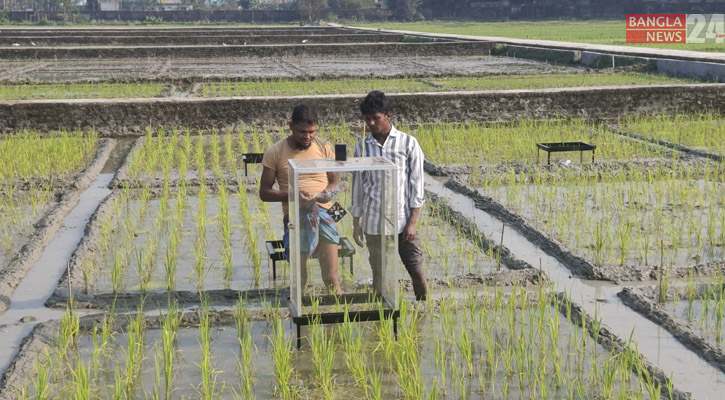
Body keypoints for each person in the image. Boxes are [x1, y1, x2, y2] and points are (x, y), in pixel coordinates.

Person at [351, 91, 428, 300]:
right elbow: (358, 185)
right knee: (378, 270)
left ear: (388, 115)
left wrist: (412, 221)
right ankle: (380, 310)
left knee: (415, 268)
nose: (372, 123)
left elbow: (417, 184)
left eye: (376, 117)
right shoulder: (363, 146)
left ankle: (423, 306)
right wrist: (356, 222)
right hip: (374, 219)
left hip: (402, 220)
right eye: (367, 119)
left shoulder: (408, 143)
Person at [259, 104, 342, 294]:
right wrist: (293, 196)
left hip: (326, 210)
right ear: (291, 126)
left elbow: (335, 180)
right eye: (302, 131)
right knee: (300, 278)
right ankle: (299, 316)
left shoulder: (324, 146)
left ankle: (339, 317)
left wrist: (326, 193)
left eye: (312, 132)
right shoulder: (276, 152)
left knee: (332, 278)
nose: (307, 137)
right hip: (295, 214)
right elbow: (264, 192)